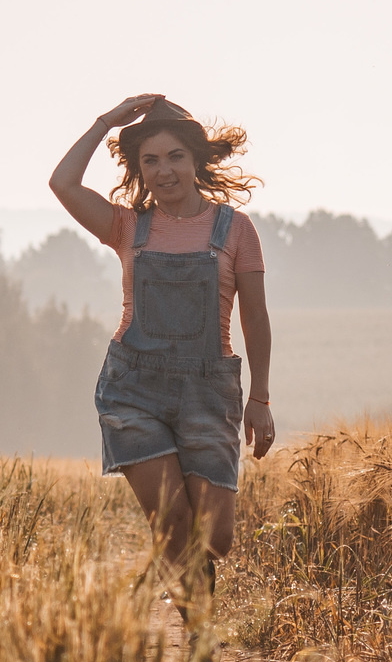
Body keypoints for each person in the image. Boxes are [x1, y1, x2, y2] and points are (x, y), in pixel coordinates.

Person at [48, 94, 275, 592]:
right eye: (149, 160)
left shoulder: (235, 229)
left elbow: (254, 317)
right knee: (173, 523)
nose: (163, 171)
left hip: (209, 391)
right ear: (138, 169)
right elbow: (62, 183)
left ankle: (180, 593)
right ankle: (200, 638)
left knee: (214, 538)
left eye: (174, 157)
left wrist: (259, 398)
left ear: (196, 160)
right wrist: (107, 121)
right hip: (134, 391)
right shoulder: (126, 226)